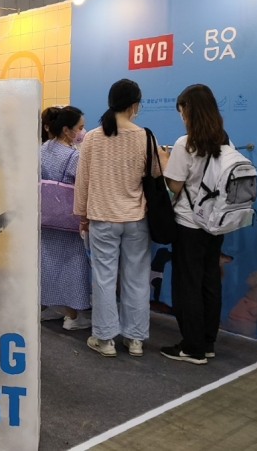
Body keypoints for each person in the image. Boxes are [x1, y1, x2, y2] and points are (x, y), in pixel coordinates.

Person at [74, 78, 163, 358]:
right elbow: (157, 175)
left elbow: (83, 182)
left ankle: (105, 339)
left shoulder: (93, 138)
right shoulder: (146, 137)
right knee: (137, 279)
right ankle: (135, 339)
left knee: (104, 278)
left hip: (102, 218)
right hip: (136, 218)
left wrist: (82, 216)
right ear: (135, 105)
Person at [160, 84, 229, 365]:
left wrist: (165, 161)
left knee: (187, 284)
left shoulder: (184, 144)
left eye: (182, 111)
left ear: (189, 110)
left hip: (189, 223)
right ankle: (207, 342)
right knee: (210, 281)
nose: (181, 117)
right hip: (216, 222)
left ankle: (192, 347)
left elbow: (175, 186)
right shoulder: (224, 141)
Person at [39, 106, 92, 329]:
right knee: (73, 266)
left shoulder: (43, 149)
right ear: (67, 130)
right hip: (68, 220)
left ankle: (50, 306)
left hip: (45, 216)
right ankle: (73, 316)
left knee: (48, 263)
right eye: (80, 127)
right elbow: (84, 186)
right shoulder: (73, 156)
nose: (82, 132)